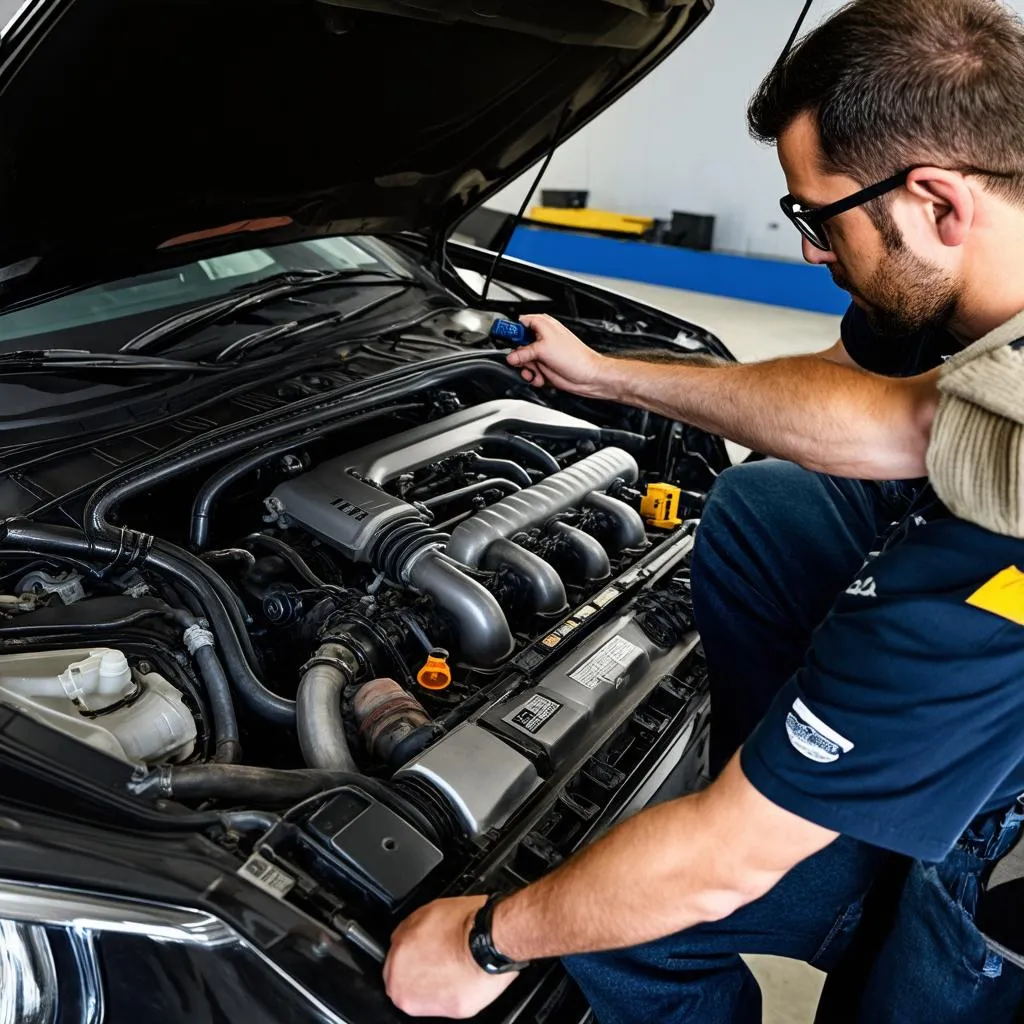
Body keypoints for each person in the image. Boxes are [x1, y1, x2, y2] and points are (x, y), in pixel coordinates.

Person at [383, 2, 1024, 1020]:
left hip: (1006, 865)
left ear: (939, 200)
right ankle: (830, 832)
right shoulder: (987, 297)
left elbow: (721, 865)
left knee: (655, 916)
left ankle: (865, 854)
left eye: (816, 218)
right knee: (769, 503)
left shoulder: (989, 551)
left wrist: (482, 938)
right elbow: (887, 410)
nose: (814, 254)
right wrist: (611, 376)